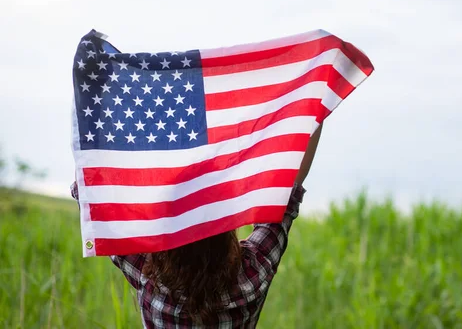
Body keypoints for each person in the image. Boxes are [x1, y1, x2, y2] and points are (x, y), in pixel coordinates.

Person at [70, 124, 322, 328]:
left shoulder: (149, 278)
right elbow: (288, 193)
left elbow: (88, 194)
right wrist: (315, 88)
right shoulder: (251, 277)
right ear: (225, 222)